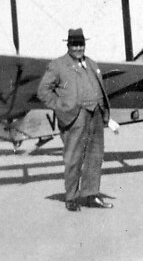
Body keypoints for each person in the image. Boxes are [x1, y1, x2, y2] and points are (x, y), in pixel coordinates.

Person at [37, 28, 112, 212]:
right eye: (74, 44)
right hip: (75, 117)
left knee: (95, 156)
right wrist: (61, 107)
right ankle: (71, 198)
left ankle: (91, 195)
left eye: (81, 44)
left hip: (95, 114)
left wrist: (103, 110)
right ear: (68, 45)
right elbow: (43, 91)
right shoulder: (58, 65)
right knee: (73, 158)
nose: (78, 48)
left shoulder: (92, 63)